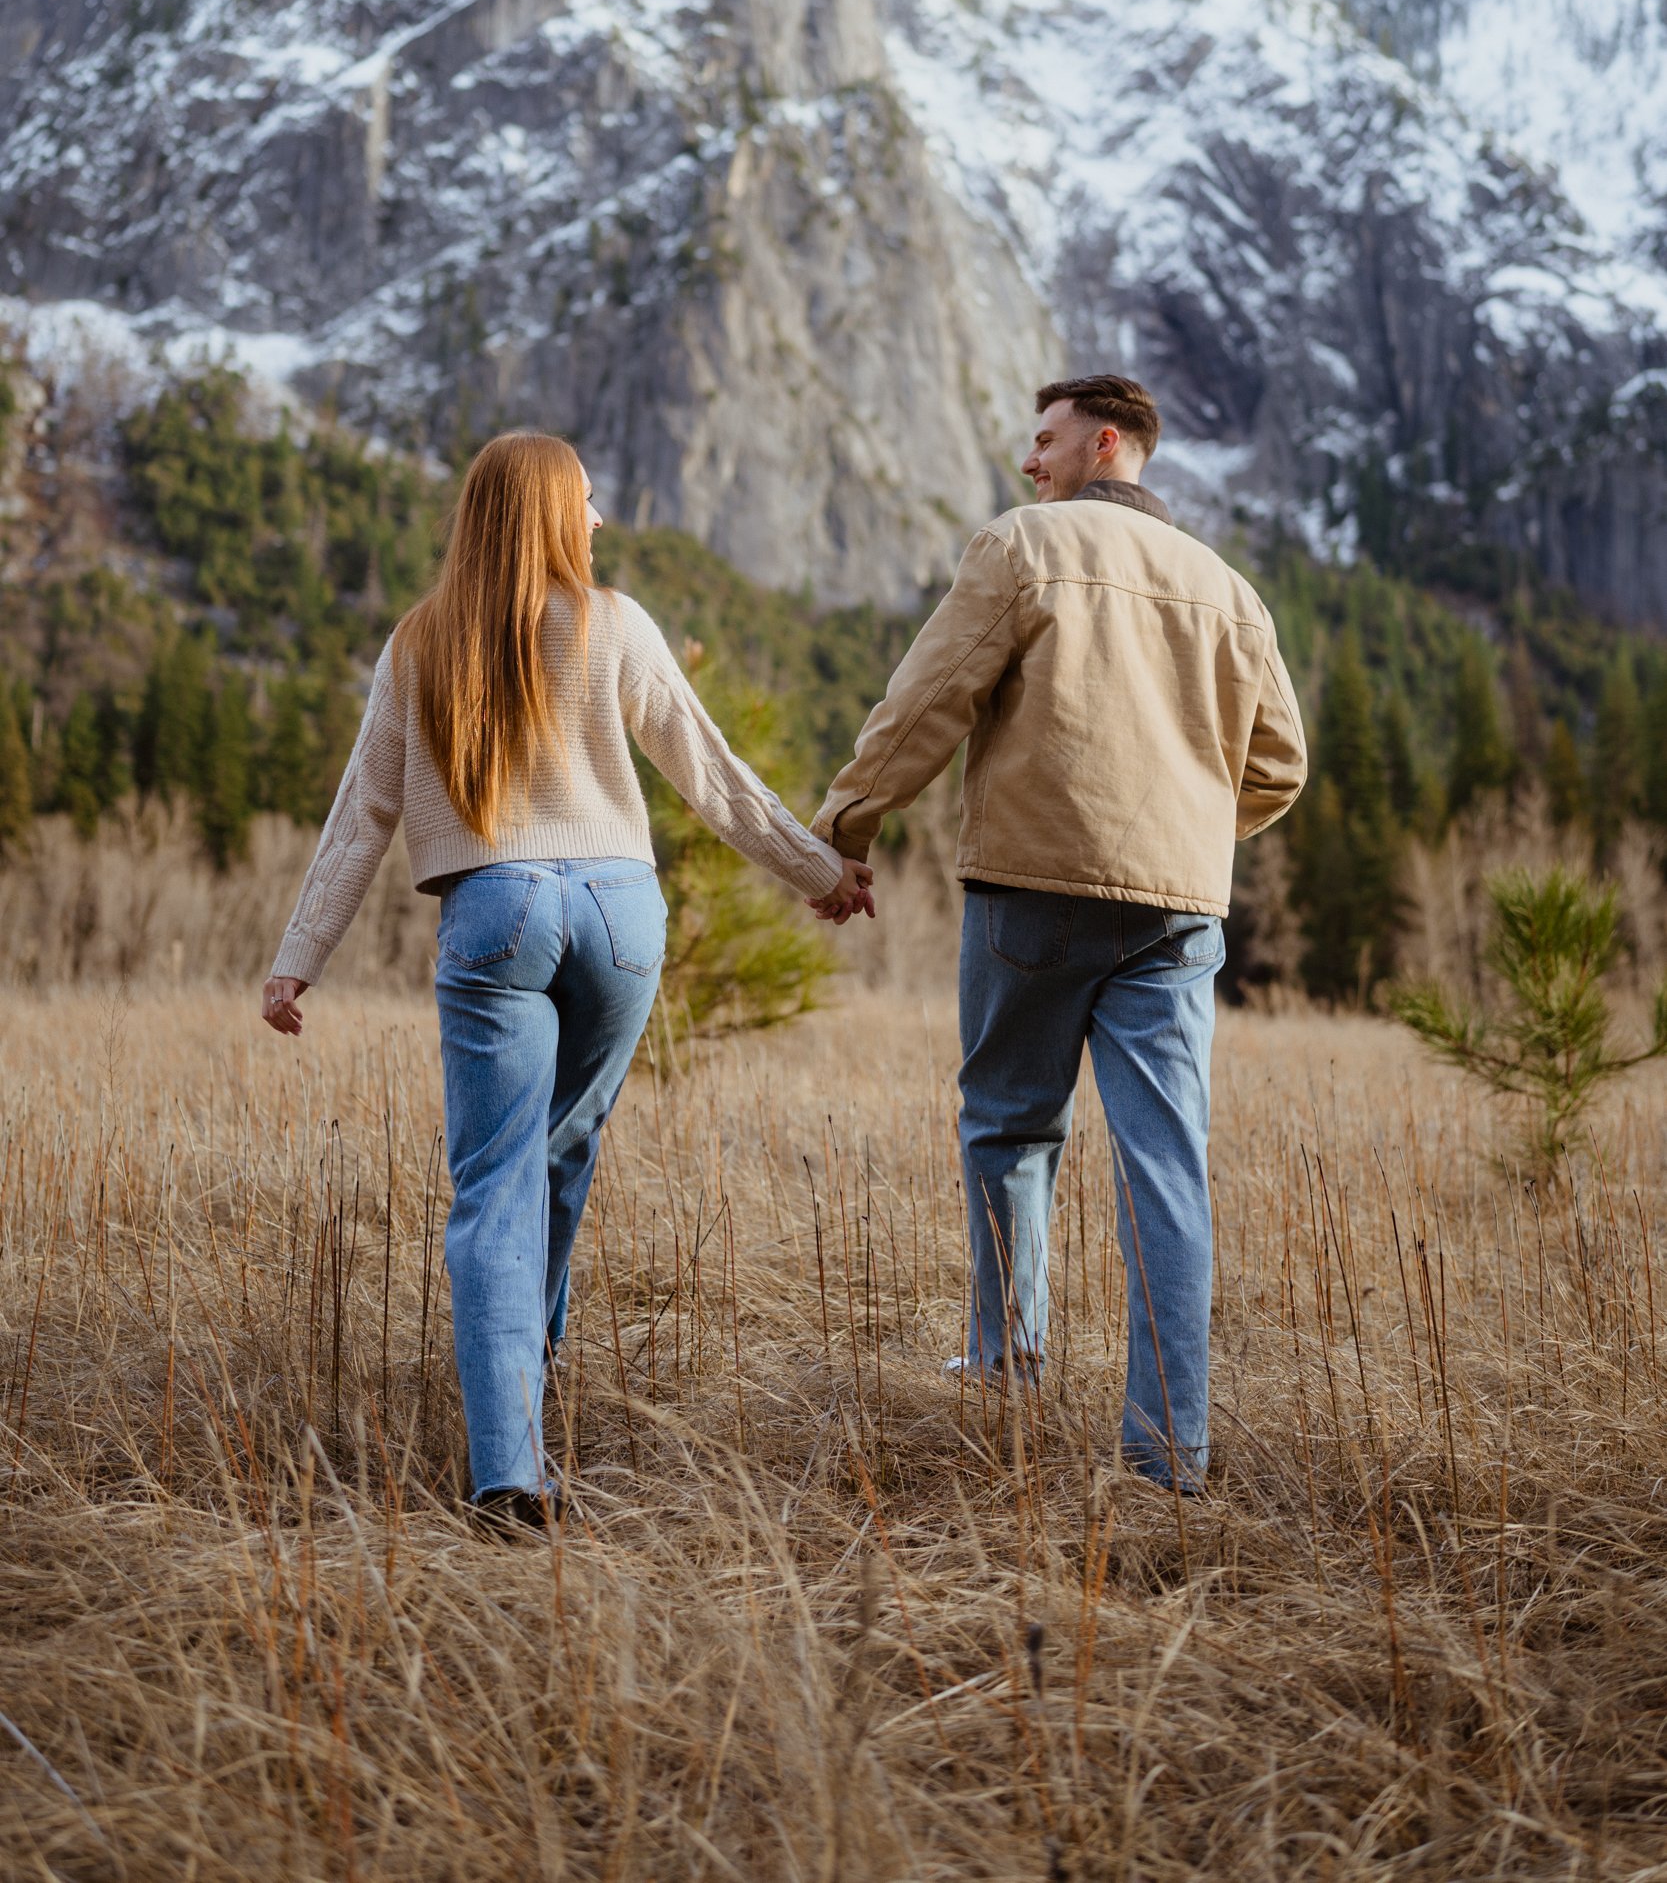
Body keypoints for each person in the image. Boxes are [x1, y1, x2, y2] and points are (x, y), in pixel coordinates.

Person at [262, 432, 873, 1532]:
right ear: (547, 510)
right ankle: (524, 1367)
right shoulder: (615, 622)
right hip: (620, 913)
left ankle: (509, 1469)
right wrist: (818, 873)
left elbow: (364, 814)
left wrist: (295, 958)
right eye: (585, 500)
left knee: (493, 1184)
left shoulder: (417, 643)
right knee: (560, 1149)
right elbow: (709, 771)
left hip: (494, 909)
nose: (595, 520)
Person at [811, 375, 1306, 1491]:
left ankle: (1004, 1370)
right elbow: (1279, 765)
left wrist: (847, 822)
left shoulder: (1021, 545)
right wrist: (1183, 830)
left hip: (1032, 889)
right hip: (1176, 912)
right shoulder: (1228, 591)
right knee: (1165, 1170)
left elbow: (924, 697)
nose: (1028, 461)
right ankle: (1169, 1451)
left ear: (1105, 441)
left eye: (1042, 440)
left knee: (1007, 1128)